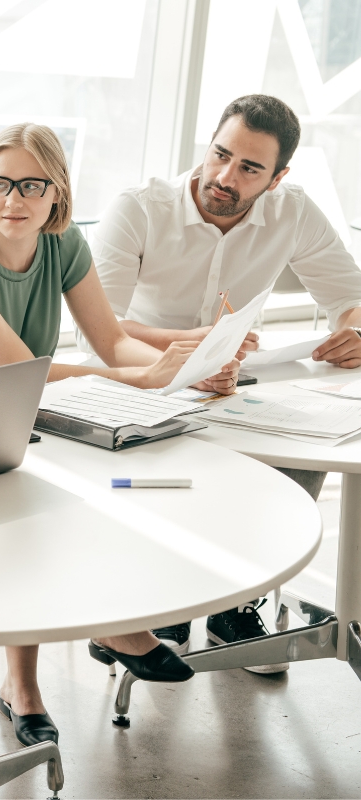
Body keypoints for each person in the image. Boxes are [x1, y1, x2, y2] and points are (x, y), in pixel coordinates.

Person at [0, 123, 232, 749]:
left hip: (18, 419)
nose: (12, 200)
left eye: (30, 185)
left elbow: (111, 340)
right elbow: (19, 367)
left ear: (57, 193)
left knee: (125, 479)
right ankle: (70, 652)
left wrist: (174, 375)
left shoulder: (63, 246)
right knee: (39, 509)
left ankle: (65, 653)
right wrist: (142, 377)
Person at [89, 93, 361, 670]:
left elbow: (350, 295)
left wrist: (356, 329)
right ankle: (166, 601)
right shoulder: (138, 208)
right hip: (141, 379)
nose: (225, 177)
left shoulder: (294, 210)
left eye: (249, 169)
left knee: (303, 449)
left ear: (278, 176)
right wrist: (191, 353)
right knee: (179, 472)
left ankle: (240, 598)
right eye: (220, 155)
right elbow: (101, 325)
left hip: (233, 383)